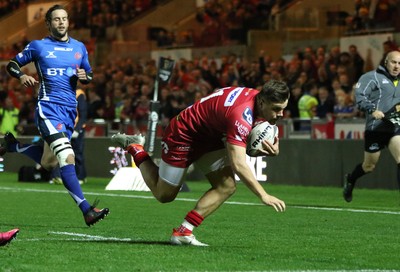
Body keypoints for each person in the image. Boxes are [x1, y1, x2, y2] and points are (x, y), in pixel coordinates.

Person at [112, 80, 288, 246]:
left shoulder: (257, 101)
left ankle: (183, 232)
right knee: (164, 195)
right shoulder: (241, 114)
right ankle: (136, 148)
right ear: (262, 102)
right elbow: (239, 163)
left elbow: (244, 143)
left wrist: (258, 150)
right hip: (184, 133)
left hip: (210, 137)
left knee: (226, 186)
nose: (281, 114)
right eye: (277, 109)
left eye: (283, 109)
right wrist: (263, 195)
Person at [1, 5, 109, 225]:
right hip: (48, 108)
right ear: (48, 24)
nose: (61, 22)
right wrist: (21, 76)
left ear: (68, 22)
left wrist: (85, 76)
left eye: (64, 19)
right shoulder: (39, 46)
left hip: (69, 111)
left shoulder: (79, 47)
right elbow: (12, 64)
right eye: (56, 19)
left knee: (49, 162)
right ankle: (87, 210)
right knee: (67, 157)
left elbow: (88, 74)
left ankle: (13, 147)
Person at [343, 50, 400, 202]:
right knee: (369, 166)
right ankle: (351, 179)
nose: (397, 66)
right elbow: (360, 96)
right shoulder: (371, 77)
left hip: (395, 126)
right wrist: (372, 110)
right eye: (394, 62)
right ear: (386, 62)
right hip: (376, 127)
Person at [51, 87, 88, 184]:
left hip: (75, 128)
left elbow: (83, 113)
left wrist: (77, 129)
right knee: (62, 151)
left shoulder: (79, 94)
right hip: (65, 127)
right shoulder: (61, 92)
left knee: (77, 153)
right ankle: (58, 176)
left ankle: (81, 176)